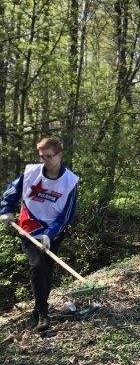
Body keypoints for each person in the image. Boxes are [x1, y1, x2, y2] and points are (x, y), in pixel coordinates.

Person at [0, 138, 79, 332]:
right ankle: (44, 314)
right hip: (29, 228)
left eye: (49, 156)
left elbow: (67, 215)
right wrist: (6, 209)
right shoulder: (31, 173)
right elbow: (11, 191)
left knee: (47, 271)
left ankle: (37, 311)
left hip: (54, 231)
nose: (45, 161)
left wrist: (50, 234)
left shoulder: (70, 182)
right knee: (37, 266)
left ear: (59, 155)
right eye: (42, 157)